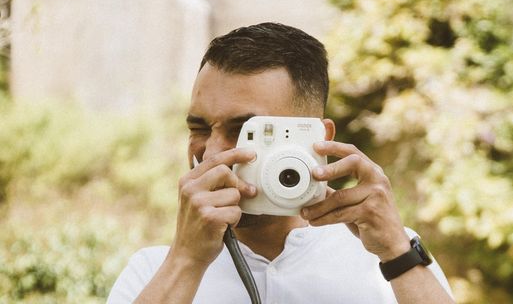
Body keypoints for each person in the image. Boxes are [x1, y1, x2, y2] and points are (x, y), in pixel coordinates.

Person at [107, 22, 455, 303]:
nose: (211, 154)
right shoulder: (154, 272)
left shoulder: (390, 256)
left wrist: (396, 254)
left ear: (319, 138)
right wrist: (186, 262)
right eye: (199, 128)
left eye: (245, 129)